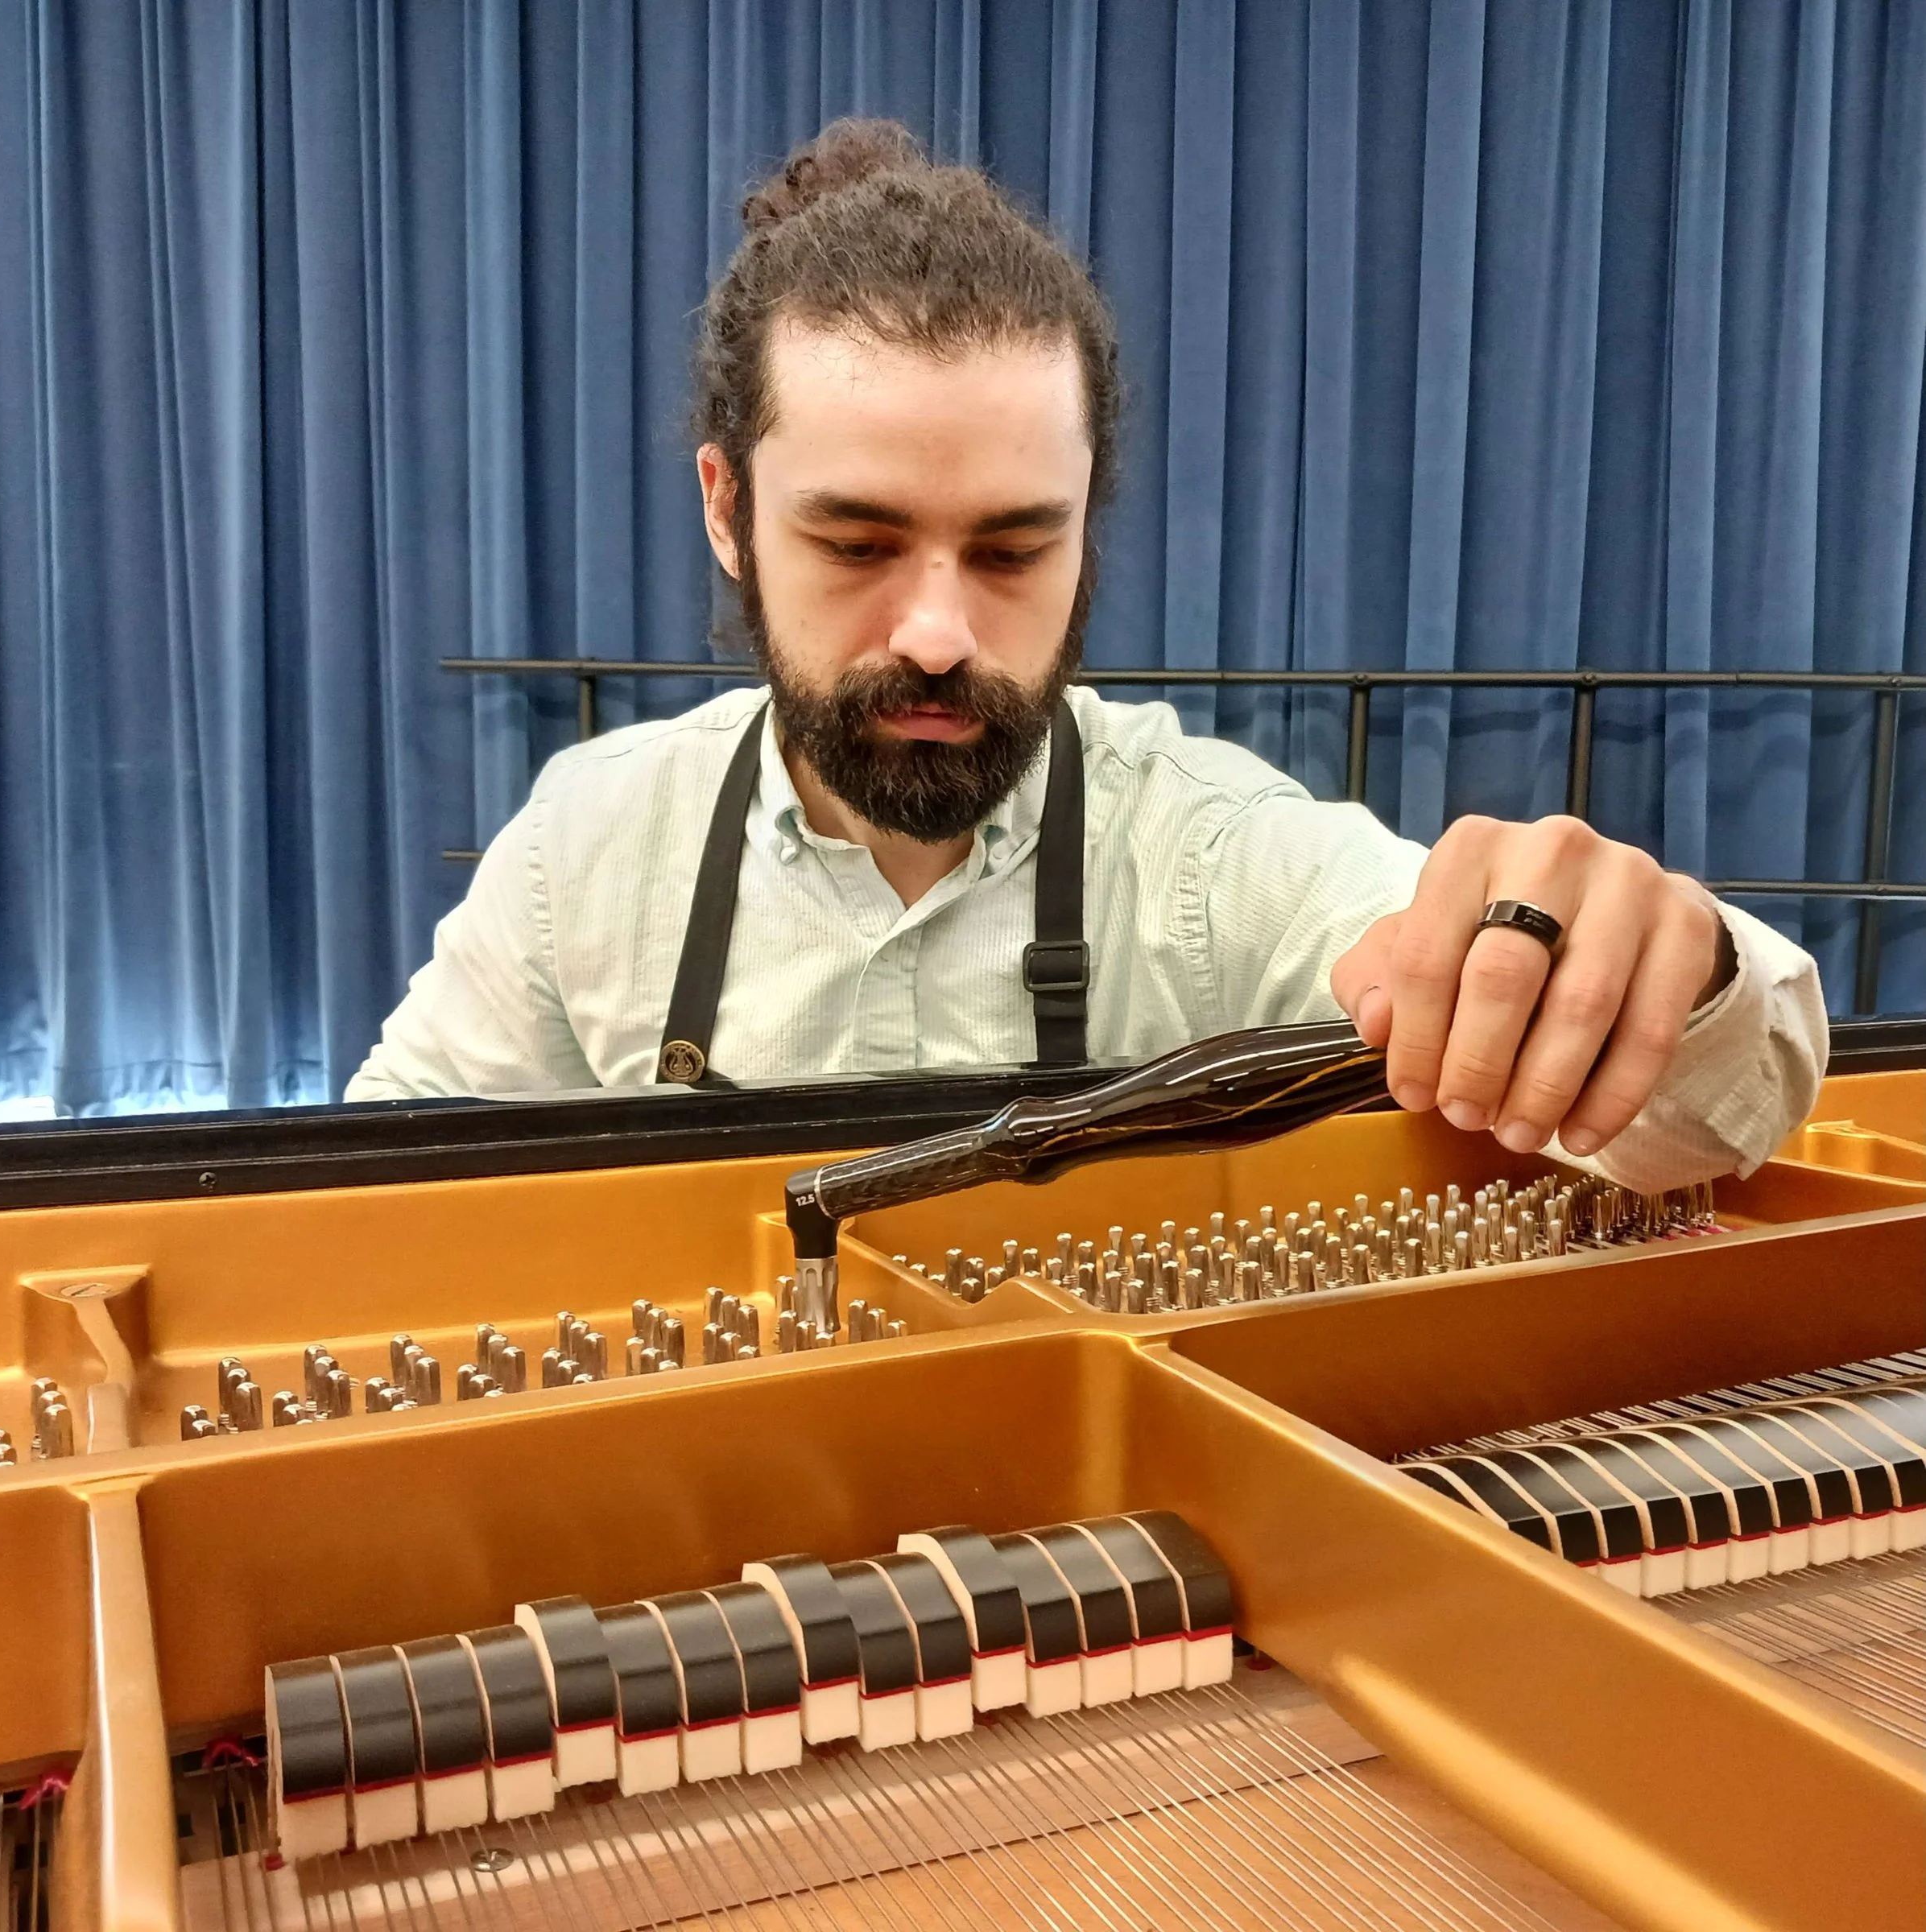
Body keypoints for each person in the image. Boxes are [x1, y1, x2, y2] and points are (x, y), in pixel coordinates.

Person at [349, 120, 1825, 1192]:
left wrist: (1667, 974)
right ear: (729, 511)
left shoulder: (1204, 851)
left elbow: (1707, 1126)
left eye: (1010, 551)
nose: (937, 631)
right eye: (857, 546)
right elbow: (357, 1206)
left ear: (1087, 531)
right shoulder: (587, 845)